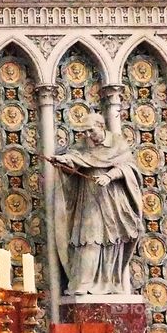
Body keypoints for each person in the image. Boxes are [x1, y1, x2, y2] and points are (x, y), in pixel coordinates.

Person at [51, 113, 143, 295]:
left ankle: (110, 282)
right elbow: (75, 162)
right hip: (89, 197)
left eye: (90, 130)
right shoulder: (83, 145)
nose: (87, 135)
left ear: (101, 126)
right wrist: (64, 162)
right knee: (89, 237)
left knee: (113, 240)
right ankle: (84, 282)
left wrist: (109, 176)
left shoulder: (117, 143)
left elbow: (129, 167)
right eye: (84, 132)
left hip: (112, 198)